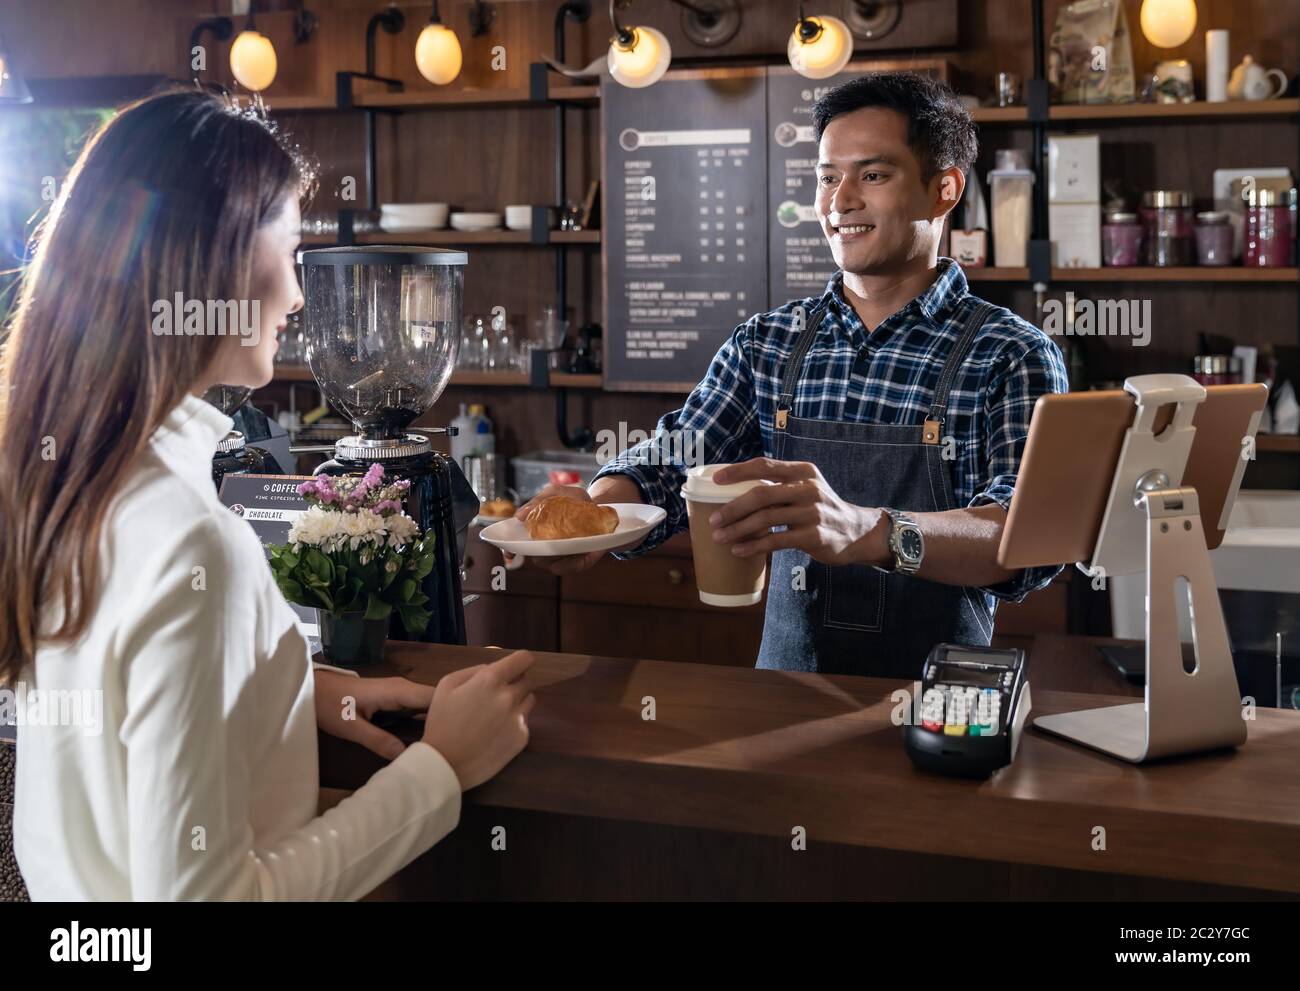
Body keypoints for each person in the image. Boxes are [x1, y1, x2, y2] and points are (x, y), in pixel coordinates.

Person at [0, 88, 535, 900]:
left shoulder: (61, 489)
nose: (294, 295)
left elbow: (114, 729)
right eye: (287, 254)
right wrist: (441, 769)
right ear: (209, 262)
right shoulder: (190, 544)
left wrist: (283, 690)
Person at [515, 73, 1068, 677]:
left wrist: (869, 531)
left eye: (873, 175)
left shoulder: (1010, 354)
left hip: (942, 710)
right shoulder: (767, 343)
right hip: (783, 696)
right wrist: (591, 517)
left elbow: (1022, 536)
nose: (840, 200)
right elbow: (675, 460)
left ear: (944, 189)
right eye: (828, 177)